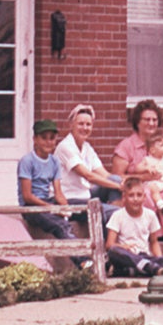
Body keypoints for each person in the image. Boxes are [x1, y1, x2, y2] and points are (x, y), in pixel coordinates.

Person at [115, 100, 163, 256]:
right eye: (147, 119)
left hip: (160, 190)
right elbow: (116, 177)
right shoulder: (127, 146)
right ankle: (151, 250)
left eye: (154, 120)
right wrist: (142, 177)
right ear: (137, 122)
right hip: (135, 193)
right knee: (146, 197)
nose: (152, 123)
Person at [54, 102, 122, 238]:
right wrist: (120, 187)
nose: (85, 128)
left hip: (86, 195)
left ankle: (114, 222)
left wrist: (127, 184)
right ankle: (109, 242)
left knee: (115, 179)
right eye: (81, 124)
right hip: (70, 199)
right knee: (112, 210)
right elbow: (88, 176)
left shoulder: (87, 147)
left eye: (88, 124)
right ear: (71, 125)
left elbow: (105, 174)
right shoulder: (65, 147)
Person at [14, 118, 76, 245]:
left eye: (52, 138)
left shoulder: (54, 161)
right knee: (60, 226)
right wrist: (51, 208)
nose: (48, 142)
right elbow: (27, 196)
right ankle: (82, 260)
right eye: (44, 138)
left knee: (83, 209)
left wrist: (65, 207)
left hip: (47, 201)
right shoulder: (27, 161)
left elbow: (58, 193)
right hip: (31, 207)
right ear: (35, 139)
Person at [103, 177, 163, 280]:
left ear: (144, 197)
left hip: (143, 255)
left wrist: (159, 260)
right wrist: (123, 246)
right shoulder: (118, 215)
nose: (136, 199)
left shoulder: (150, 215)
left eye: (139, 195)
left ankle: (133, 270)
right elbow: (109, 245)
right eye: (131, 195)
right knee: (114, 251)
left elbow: (154, 242)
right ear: (124, 197)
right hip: (126, 255)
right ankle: (146, 268)